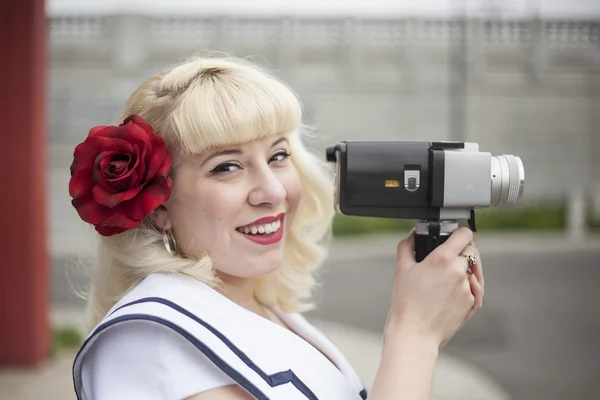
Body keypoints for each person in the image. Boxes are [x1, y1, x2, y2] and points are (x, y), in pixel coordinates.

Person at [69, 55, 484, 400]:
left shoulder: (267, 309)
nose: (272, 190)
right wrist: (413, 335)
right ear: (157, 206)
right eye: (226, 166)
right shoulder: (147, 342)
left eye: (279, 155)